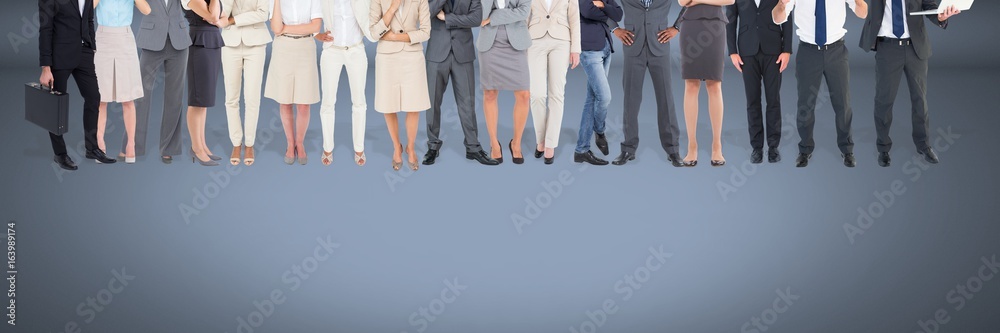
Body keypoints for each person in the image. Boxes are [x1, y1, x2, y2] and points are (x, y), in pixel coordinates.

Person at [859, 0, 959, 167]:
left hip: (915, 48)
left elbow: (929, 5)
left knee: (920, 100)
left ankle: (923, 145)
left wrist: (940, 17)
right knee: (884, 100)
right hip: (887, 48)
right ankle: (883, 148)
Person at [773, 0, 867, 167]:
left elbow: (863, 13)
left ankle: (847, 149)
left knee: (842, 103)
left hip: (836, 51)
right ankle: (805, 149)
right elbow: (777, 19)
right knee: (805, 104)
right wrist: (781, 4)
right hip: (808, 52)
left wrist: (859, 1)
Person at [38, 0, 118, 169]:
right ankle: (60, 154)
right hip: (60, 56)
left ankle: (92, 148)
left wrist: (92, 46)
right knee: (57, 107)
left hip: (84, 54)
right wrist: (46, 67)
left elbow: (89, 19)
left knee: (94, 98)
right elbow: (45, 29)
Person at [421, 0, 500, 166]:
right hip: (436, 53)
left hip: (463, 53)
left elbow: (476, 19)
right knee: (432, 102)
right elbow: (425, 13)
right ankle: (432, 146)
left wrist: (447, 18)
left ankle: (473, 147)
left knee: (467, 103)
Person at [609, 0, 684, 166]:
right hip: (632, 46)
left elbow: (691, 2)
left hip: (660, 45)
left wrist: (677, 27)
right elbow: (597, 3)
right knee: (631, 101)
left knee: (666, 99)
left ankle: (673, 150)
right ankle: (628, 149)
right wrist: (614, 28)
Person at [726, 0, 793, 164]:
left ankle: (773, 147)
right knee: (752, 101)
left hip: (774, 50)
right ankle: (756, 148)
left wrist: (787, 50)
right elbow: (730, 20)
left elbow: (787, 17)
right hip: (747, 51)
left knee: (773, 100)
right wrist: (732, 51)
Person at [128, 0, 194, 164]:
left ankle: (169, 148)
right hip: (151, 39)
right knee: (141, 95)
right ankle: (134, 146)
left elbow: (188, 5)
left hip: (178, 40)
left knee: (174, 97)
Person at [370, 0, 432, 171]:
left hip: (412, 56)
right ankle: (397, 146)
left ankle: (410, 147)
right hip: (387, 58)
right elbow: (375, 33)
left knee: (414, 105)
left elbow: (426, 32)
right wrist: (393, 7)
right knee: (388, 105)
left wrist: (395, 37)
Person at [316, 0, 376, 166]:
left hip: (356, 50)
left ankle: (359, 148)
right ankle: (327, 147)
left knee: (359, 102)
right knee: (327, 102)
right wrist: (316, 34)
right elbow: (311, 11)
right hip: (331, 51)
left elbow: (374, 14)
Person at [265, 0, 322, 165]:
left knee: (304, 103)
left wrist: (286, 28)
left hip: (306, 47)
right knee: (285, 101)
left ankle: (300, 142)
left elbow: (315, 26)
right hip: (283, 48)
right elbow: (276, 28)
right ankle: (290, 143)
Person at [94, 0, 152, 164]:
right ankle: (99, 143)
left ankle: (131, 144)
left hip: (125, 38)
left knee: (128, 98)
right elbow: (86, 8)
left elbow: (147, 10)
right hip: (102, 37)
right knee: (100, 98)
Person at [217, 0, 273, 166]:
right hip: (229, 43)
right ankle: (236, 143)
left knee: (252, 98)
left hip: (255, 44)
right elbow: (223, 14)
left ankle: (249, 144)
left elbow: (263, 14)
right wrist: (226, 16)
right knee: (231, 98)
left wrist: (234, 20)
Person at [677, 0, 732, 167]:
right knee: (691, 85)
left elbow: (730, 0)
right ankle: (692, 145)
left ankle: (717, 145)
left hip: (715, 26)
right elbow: (683, 1)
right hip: (690, 26)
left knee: (714, 84)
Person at [478, 0, 532, 165]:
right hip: (490, 44)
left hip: (516, 43)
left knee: (524, 95)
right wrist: (490, 16)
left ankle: (516, 143)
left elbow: (523, 11)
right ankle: (494, 143)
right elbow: (480, 16)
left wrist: (494, 17)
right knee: (490, 94)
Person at [527, 0, 580, 164]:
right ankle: (540, 139)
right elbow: (523, 16)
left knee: (556, 95)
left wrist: (575, 49)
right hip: (534, 40)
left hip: (562, 42)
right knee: (537, 95)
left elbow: (574, 18)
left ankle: (550, 144)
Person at [574, 0, 622, 166]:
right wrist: (605, 12)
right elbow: (587, 12)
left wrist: (602, 5)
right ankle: (600, 131)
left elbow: (618, 14)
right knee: (604, 97)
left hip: (606, 46)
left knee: (592, 98)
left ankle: (581, 150)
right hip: (589, 50)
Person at [182, 0, 225, 166]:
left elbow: (222, 17)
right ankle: (196, 148)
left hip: (212, 42)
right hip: (199, 43)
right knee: (197, 99)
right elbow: (212, 16)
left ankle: (202, 144)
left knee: (204, 100)